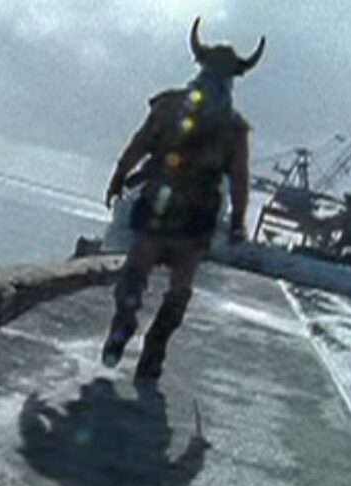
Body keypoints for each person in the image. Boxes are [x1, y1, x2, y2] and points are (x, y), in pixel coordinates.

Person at [102, 17, 266, 379]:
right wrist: (238, 223)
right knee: (180, 288)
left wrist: (118, 177)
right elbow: (239, 179)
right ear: (233, 79)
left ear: (200, 67)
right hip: (196, 218)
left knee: (136, 271)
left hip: (157, 206)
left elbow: (139, 145)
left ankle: (123, 324)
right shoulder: (234, 128)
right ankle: (154, 348)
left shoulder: (168, 106)